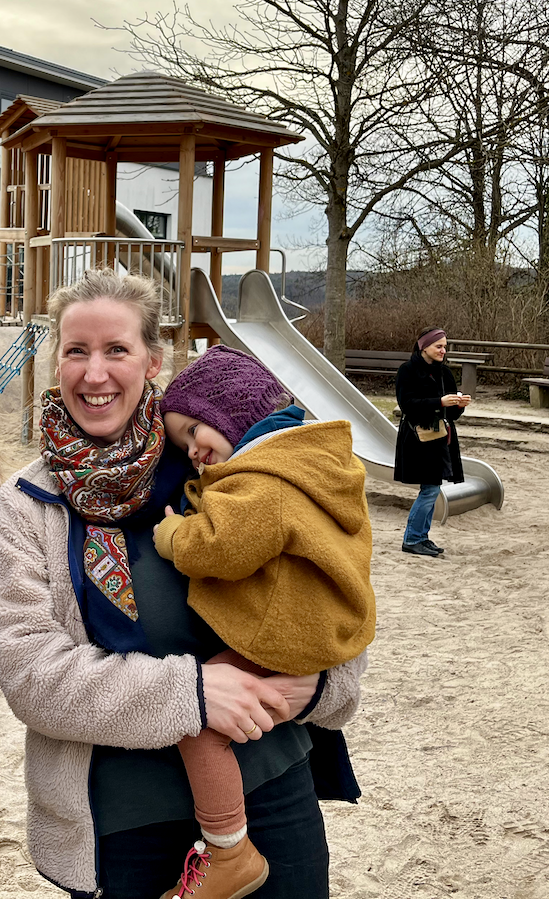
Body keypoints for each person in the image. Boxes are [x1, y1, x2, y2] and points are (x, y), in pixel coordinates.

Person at [0, 270, 366, 899]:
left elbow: (327, 572)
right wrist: (189, 694)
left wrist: (320, 682)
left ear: (153, 361)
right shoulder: (29, 505)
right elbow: (31, 675)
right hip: (124, 818)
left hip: (270, 787)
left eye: (117, 350)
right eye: (76, 350)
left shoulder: (216, 461)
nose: (94, 372)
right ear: (56, 360)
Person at [151, 344, 376, 897]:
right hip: (317, 626)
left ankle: (229, 851)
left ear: (231, 413)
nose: (194, 451)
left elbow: (221, 548)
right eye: (182, 442)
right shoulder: (306, 459)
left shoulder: (262, 480)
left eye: (196, 429)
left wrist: (173, 534)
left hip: (284, 630)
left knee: (199, 724)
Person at [394, 328, 470, 557]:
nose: (443, 351)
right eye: (439, 346)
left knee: (432, 487)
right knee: (430, 489)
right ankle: (412, 538)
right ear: (423, 347)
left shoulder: (444, 373)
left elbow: (451, 416)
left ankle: (420, 537)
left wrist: (458, 406)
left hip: (440, 439)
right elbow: (406, 404)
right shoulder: (407, 371)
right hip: (418, 437)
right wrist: (439, 401)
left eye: (445, 347)